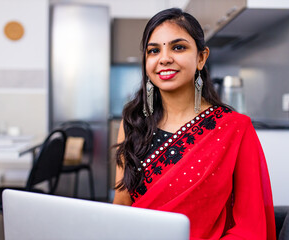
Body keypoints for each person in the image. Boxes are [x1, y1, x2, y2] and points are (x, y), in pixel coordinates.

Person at [113, 8, 276, 240]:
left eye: (178, 47)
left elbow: (249, 225)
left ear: (201, 57)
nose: (164, 58)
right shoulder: (132, 123)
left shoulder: (234, 128)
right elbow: (121, 204)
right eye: (153, 50)